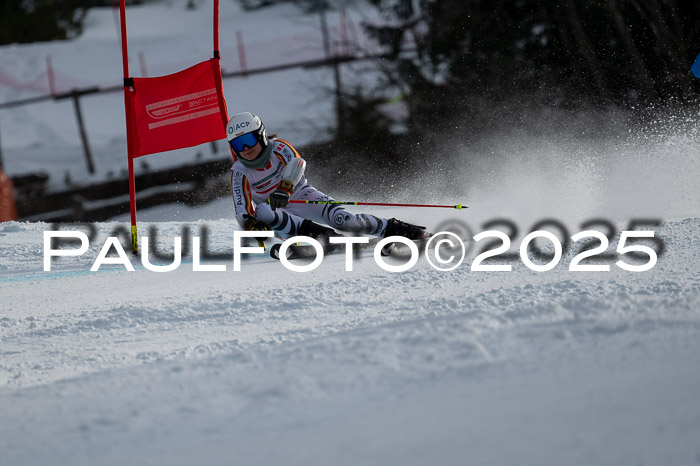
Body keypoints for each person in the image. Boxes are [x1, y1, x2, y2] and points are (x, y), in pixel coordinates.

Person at [226, 112, 427, 248]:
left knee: (345, 221)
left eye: (249, 140)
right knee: (263, 211)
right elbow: (242, 210)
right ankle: (322, 237)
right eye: (238, 144)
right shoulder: (239, 173)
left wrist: (285, 188)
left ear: (261, 135)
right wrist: (252, 225)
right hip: (279, 215)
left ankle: (394, 229)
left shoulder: (278, 148)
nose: (246, 149)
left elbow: (297, 163)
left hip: (301, 195)